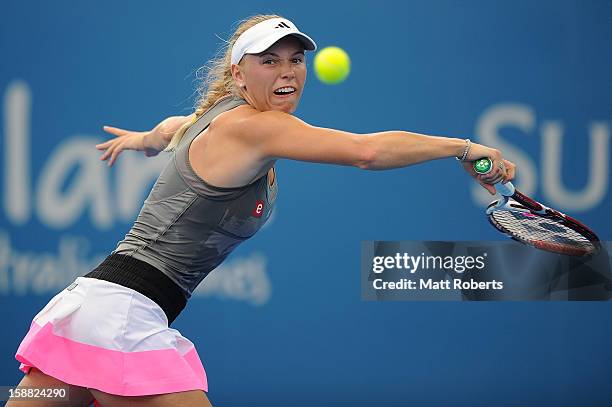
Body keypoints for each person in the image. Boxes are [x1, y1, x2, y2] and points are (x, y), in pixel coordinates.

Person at [10, 14, 515, 407]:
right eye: (269, 60)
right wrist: (463, 148)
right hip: (120, 317)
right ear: (239, 73)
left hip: (88, 307)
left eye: (295, 60)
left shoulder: (214, 119)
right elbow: (368, 152)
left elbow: (171, 128)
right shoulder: (255, 127)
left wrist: (144, 140)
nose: (287, 71)